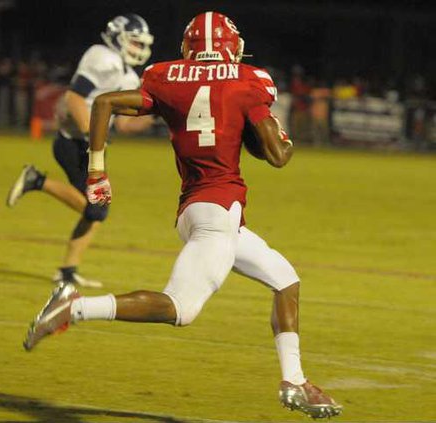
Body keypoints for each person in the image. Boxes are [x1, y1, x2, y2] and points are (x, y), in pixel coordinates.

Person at [22, 11, 343, 419]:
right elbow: (277, 156)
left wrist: (98, 169)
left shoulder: (166, 77)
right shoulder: (248, 81)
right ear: (230, 46)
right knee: (180, 308)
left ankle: (294, 382)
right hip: (218, 212)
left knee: (285, 280)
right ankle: (74, 306)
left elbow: (103, 103)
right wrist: (278, 133)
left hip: (196, 207)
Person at [6, 13, 155, 288]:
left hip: (92, 145)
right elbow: (73, 97)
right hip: (76, 143)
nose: (138, 49)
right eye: (134, 43)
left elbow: (122, 124)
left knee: (96, 211)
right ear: (117, 37)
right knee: (97, 210)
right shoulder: (103, 57)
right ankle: (37, 180)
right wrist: (92, 134)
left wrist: (156, 114)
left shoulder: (127, 74)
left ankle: (67, 271)